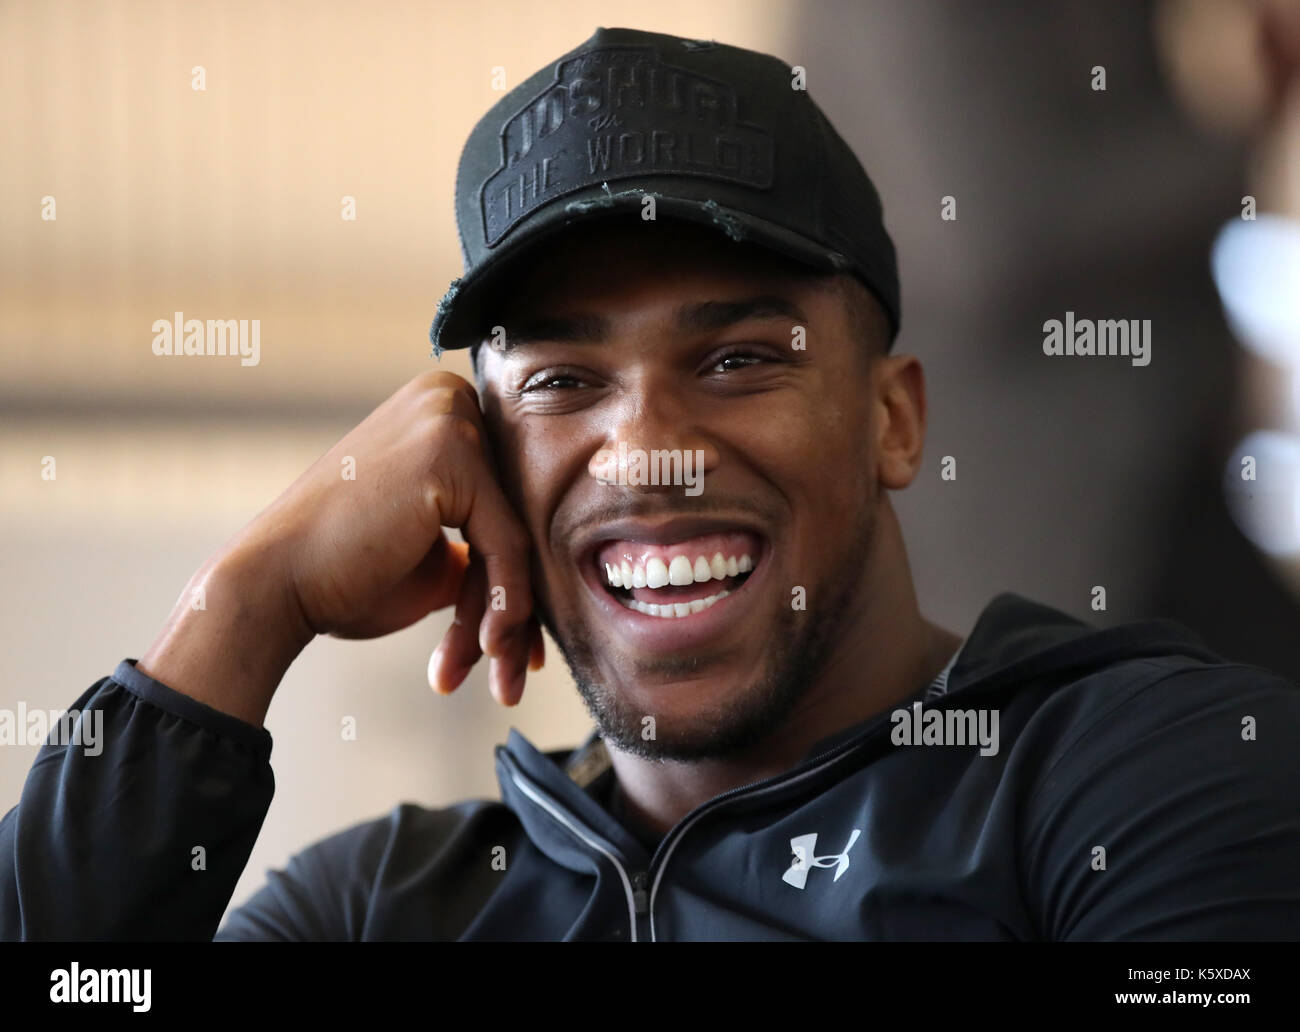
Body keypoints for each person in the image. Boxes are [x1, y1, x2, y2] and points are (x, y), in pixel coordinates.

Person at [2, 26, 1298, 942]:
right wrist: (244, 604)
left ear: (895, 421)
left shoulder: (1137, 777)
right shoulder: (380, 904)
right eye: (563, 384)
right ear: (477, 462)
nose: (649, 449)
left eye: (736, 360)